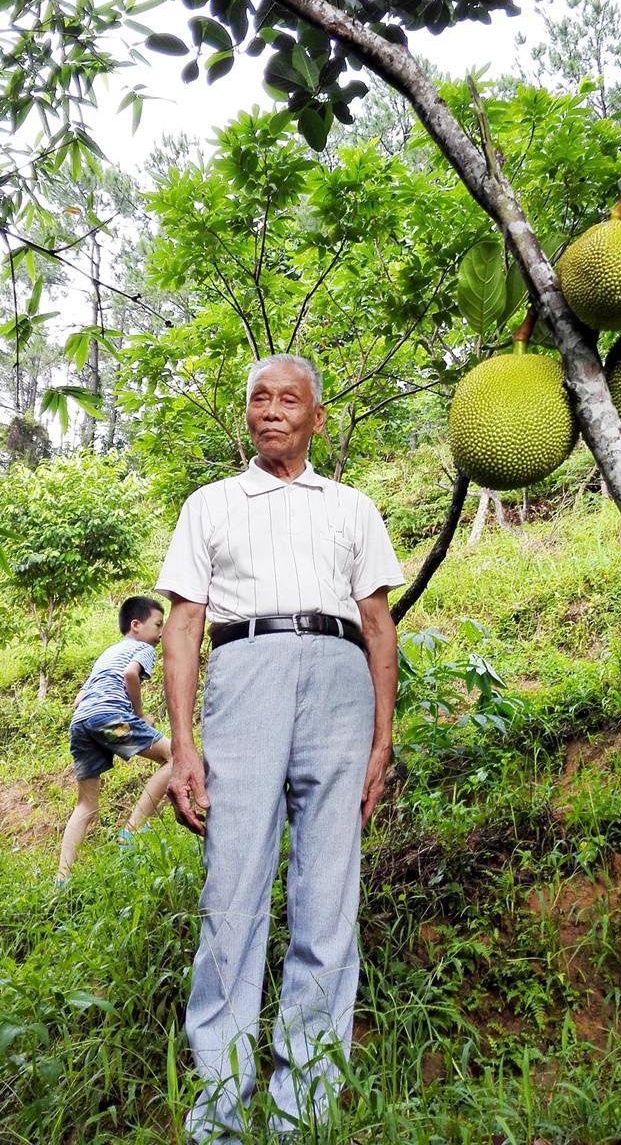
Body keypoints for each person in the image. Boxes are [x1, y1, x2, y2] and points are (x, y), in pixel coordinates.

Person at [156, 353, 404, 1143]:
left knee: (328, 898)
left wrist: (382, 738)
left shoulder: (352, 507)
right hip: (245, 676)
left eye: (287, 399)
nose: (270, 411)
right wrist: (183, 745)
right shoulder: (212, 504)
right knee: (232, 894)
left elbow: (376, 624)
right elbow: (186, 628)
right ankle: (221, 1114)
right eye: (258, 398)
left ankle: (306, 1113)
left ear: (316, 416)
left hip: (339, 681)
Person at [57, 595, 170, 883]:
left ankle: (61, 880)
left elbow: (80, 696)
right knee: (176, 758)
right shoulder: (142, 648)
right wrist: (140, 715)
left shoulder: (107, 654)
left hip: (81, 722)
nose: (160, 633)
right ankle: (130, 835)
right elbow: (131, 675)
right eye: (158, 624)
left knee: (86, 806)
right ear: (136, 625)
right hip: (109, 718)